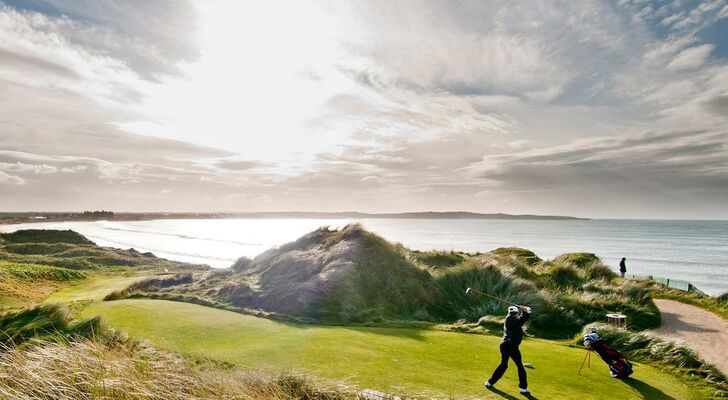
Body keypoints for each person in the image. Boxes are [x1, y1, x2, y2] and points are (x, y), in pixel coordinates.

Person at [484, 304, 532, 395]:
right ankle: (523, 388)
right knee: (520, 366)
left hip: (505, 345)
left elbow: (519, 321)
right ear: (515, 313)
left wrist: (524, 313)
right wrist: (526, 312)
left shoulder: (510, 319)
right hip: (511, 346)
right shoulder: (510, 318)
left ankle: (489, 382)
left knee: (504, 364)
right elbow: (520, 321)